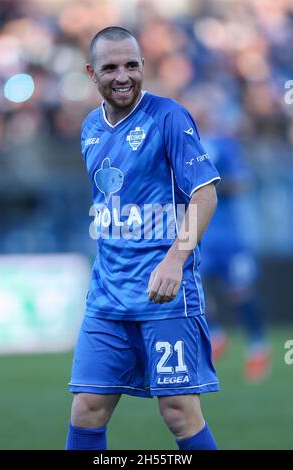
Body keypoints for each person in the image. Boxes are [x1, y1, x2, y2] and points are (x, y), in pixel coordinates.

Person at [65, 26, 221, 451]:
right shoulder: (89, 128)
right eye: (111, 67)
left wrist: (174, 260)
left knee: (178, 410)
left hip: (164, 294)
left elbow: (205, 195)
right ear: (90, 72)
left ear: (143, 67)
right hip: (107, 297)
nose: (123, 76)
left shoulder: (168, 116)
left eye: (132, 65)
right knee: (86, 409)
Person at [200, 133, 271, 381]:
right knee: (193, 289)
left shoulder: (224, 144)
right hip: (198, 234)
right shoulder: (179, 141)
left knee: (240, 293)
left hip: (229, 236)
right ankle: (216, 335)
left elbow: (243, 182)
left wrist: (210, 184)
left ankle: (258, 347)